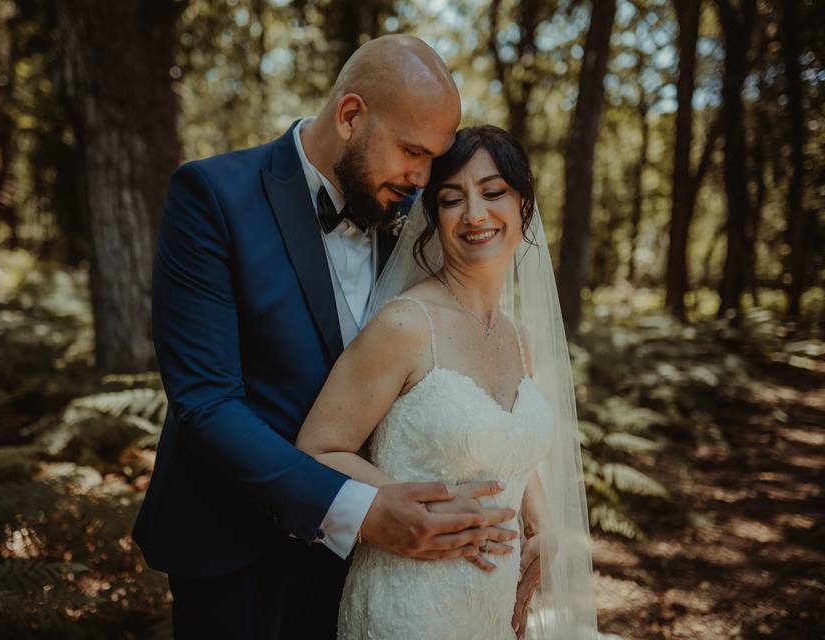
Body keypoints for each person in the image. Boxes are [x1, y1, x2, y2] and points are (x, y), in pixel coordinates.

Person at [132, 36, 520, 639]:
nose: (422, 179)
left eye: (433, 159)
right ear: (350, 115)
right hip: (237, 555)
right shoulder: (212, 198)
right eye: (412, 152)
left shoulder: (411, 219)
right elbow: (206, 404)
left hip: (382, 574)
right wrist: (360, 510)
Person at [296, 125, 599, 639]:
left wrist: (543, 523)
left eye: (493, 192)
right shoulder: (406, 326)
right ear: (434, 218)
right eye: (452, 199)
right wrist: (417, 505)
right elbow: (316, 449)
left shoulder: (518, 338)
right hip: (408, 608)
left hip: (495, 610)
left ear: (524, 204)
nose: (475, 214)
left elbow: (507, 450)